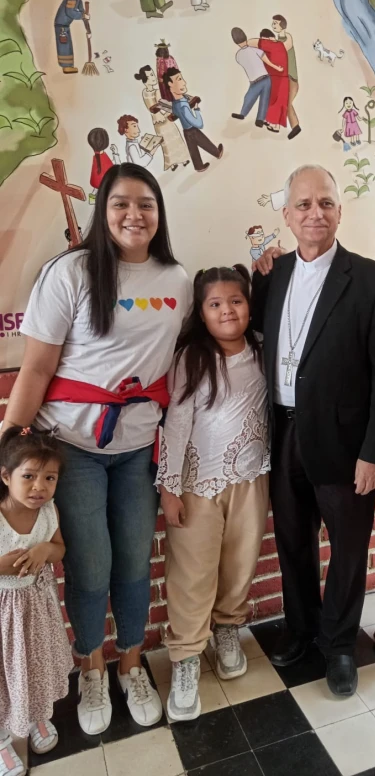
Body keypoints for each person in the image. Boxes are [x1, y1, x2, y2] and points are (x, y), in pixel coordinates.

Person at [2, 163, 193, 735]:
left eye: (146, 205)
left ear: (160, 215)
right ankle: (92, 667)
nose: (134, 215)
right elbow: (36, 368)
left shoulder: (178, 279)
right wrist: (7, 450)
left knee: (134, 562)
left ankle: (132, 663)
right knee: (90, 566)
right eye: (121, 204)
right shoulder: (70, 273)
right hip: (72, 449)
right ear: (102, 212)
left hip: (138, 448)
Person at [251, 165, 375, 697]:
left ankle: (339, 644)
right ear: (287, 214)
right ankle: (302, 626)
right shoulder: (269, 275)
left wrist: (373, 450)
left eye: (326, 203)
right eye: (304, 204)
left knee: (349, 545)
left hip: (346, 442)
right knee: (292, 540)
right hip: (282, 431)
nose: (316, 213)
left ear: (341, 210)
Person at [157, 265, 270, 722]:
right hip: (197, 484)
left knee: (240, 562)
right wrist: (169, 487)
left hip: (251, 481)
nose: (228, 310)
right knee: (192, 571)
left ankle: (228, 628)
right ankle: (185, 657)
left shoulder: (262, 349)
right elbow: (177, 423)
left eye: (236, 301)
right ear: (201, 313)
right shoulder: (192, 358)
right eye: (215, 304)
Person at [0, 428, 73, 776]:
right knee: (4, 675)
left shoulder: (48, 512)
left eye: (49, 478)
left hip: (36, 611)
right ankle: (1, 740)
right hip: (3, 616)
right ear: (5, 476)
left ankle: (36, 716)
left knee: (34, 665)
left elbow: (59, 548)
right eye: (28, 476)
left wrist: (46, 550)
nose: (38, 487)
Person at [164, 67, 223, 174]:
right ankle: (217, 153)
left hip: (186, 131)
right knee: (204, 142)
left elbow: (176, 113)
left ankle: (199, 166)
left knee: (193, 149)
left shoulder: (175, 104)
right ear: (170, 84)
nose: (184, 83)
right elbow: (199, 124)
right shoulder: (183, 106)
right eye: (179, 79)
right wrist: (196, 109)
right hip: (192, 130)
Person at [134, 66, 190, 172]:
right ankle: (173, 163)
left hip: (159, 119)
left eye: (153, 74)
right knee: (167, 141)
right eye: (150, 75)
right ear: (144, 78)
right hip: (160, 119)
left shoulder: (147, 92)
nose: (154, 77)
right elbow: (161, 105)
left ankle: (183, 159)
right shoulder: (152, 92)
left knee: (174, 138)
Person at [231, 28, 282, 128]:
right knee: (263, 99)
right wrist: (277, 68)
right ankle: (258, 119)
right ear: (246, 38)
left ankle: (247, 115)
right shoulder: (256, 50)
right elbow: (268, 62)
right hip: (265, 79)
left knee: (251, 97)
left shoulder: (238, 55)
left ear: (236, 42)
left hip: (256, 80)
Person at [54, 0, 93, 75]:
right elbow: (70, 12)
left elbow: (82, 14)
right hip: (61, 25)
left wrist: (88, 31)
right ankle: (66, 67)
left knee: (67, 45)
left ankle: (68, 66)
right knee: (65, 45)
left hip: (65, 25)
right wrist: (83, 15)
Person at [253, 29, 288, 134]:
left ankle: (275, 125)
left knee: (276, 101)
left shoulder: (272, 44)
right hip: (279, 76)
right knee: (275, 101)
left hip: (278, 77)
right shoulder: (279, 45)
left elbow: (253, 42)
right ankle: (272, 122)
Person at [272, 14, 301, 140]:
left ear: (282, 25)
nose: (273, 25)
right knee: (284, 102)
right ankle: (292, 126)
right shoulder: (277, 41)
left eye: (275, 23)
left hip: (291, 79)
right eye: (273, 23)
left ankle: (295, 126)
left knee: (286, 103)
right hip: (284, 79)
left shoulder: (287, 38)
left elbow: (284, 47)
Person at [87, 127, 121, 204]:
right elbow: (116, 166)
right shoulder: (103, 157)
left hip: (98, 185)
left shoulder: (96, 156)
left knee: (96, 191)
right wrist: (115, 153)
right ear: (105, 142)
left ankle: (93, 202)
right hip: (106, 185)